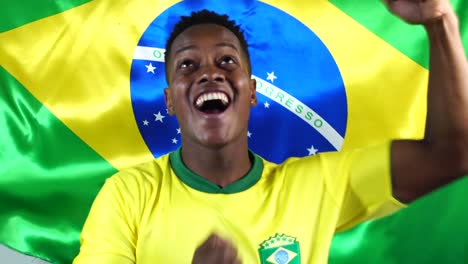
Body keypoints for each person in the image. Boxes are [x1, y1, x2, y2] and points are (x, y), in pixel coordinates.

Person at [73, 0, 468, 263]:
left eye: (227, 60)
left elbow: (453, 155)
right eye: (187, 65)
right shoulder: (127, 197)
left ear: (253, 92)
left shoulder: (317, 186)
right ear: (170, 100)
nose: (210, 72)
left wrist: (440, 22)